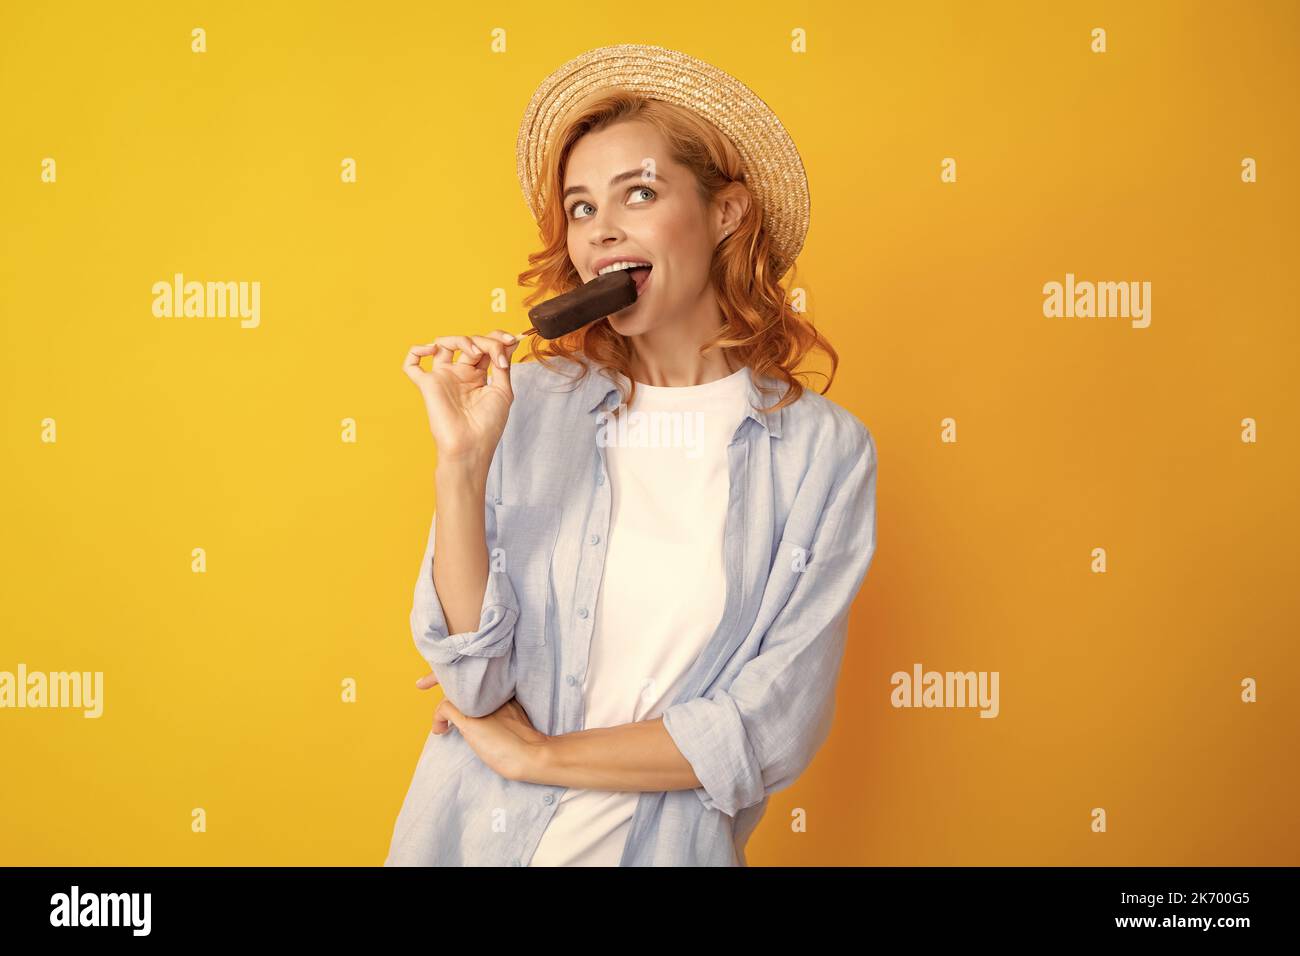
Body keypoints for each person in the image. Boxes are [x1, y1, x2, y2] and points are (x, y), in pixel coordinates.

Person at [385, 44, 878, 867]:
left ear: (728, 214)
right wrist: (462, 466)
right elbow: (472, 682)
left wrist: (535, 755)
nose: (601, 230)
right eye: (580, 208)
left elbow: (767, 730)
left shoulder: (822, 454)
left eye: (639, 193)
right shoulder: (527, 406)